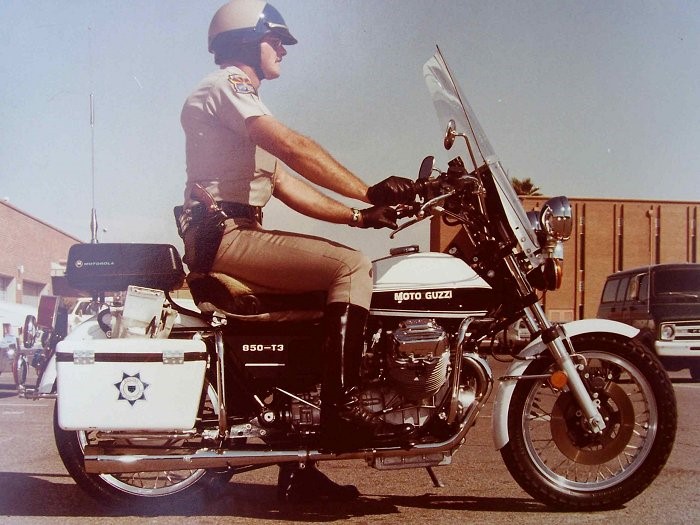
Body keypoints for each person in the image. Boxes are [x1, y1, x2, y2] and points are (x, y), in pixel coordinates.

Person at [179, 0, 415, 503]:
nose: (284, 47)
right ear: (245, 42)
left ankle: (299, 468)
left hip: (232, 234)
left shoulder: (242, 110)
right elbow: (292, 147)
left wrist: (361, 215)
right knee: (350, 265)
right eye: (275, 38)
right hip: (226, 235)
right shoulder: (229, 87)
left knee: (318, 308)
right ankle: (340, 413)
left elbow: (286, 184)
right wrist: (369, 190)